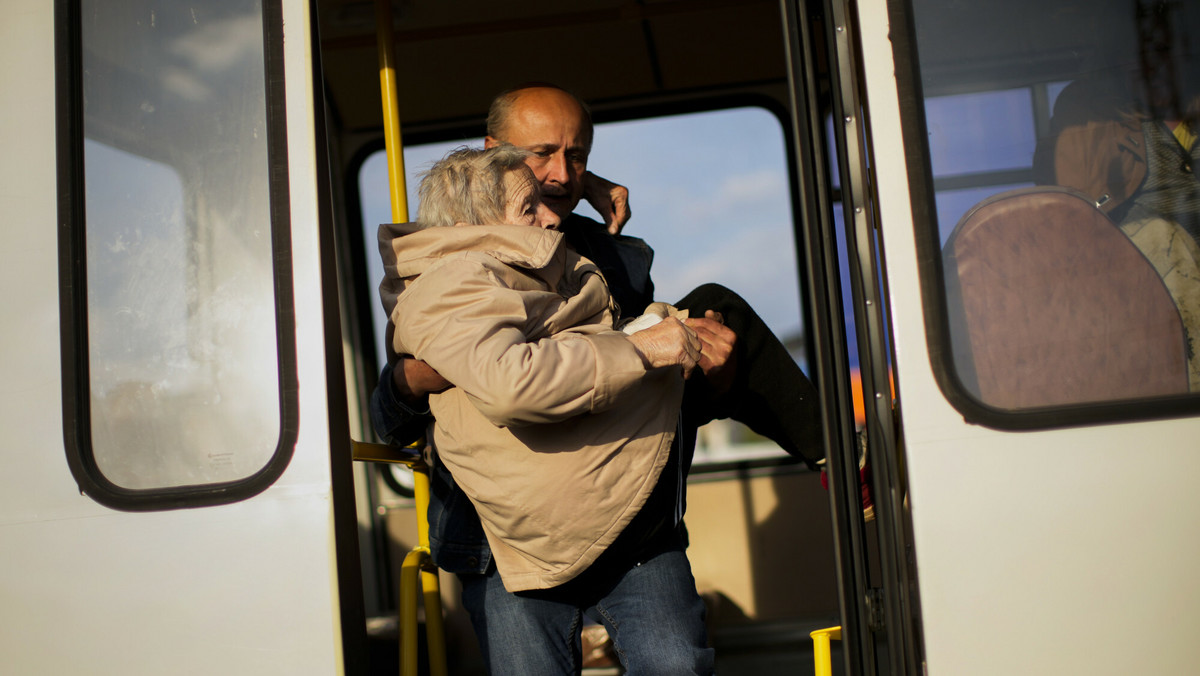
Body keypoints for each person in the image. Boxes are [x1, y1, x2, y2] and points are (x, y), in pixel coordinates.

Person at [372, 85, 824, 674]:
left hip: (627, 515)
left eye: (578, 156)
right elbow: (389, 419)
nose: (558, 176)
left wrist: (710, 372)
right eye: (541, 156)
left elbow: (639, 385)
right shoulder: (448, 267)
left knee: (678, 668)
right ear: (493, 155)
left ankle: (840, 457)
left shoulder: (600, 255)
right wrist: (409, 381)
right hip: (498, 536)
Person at [1033, 68, 1200, 389]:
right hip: (1151, 276)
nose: (1162, 58)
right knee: (1157, 237)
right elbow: (1065, 194)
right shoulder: (1087, 110)